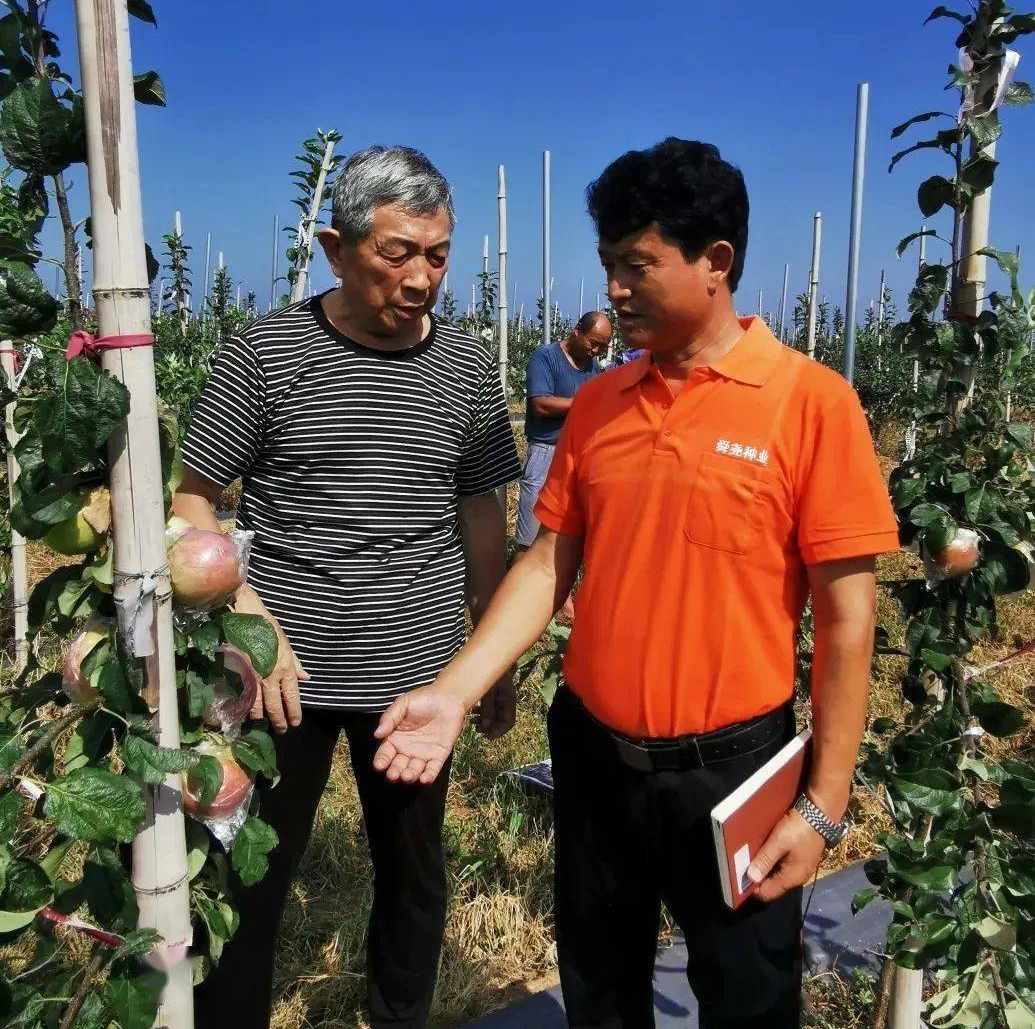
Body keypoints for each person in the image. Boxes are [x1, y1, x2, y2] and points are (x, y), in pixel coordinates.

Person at [370, 138, 900, 1029]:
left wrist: (823, 804)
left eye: (635, 265)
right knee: (600, 985)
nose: (613, 289)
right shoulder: (603, 406)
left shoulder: (809, 404)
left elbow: (848, 617)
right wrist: (454, 690)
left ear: (715, 262)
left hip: (732, 774)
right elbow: (546, 563)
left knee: (745, 994)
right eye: (608, 264)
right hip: (594, 759)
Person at [177, 145, 521, 1029]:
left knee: (412, 870)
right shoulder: (266, 352)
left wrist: (489, 658)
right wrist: (253, 621)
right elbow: (192, 501)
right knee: (249, 867)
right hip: (278, 680)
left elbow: (481, 511)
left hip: (413, 671)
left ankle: (398, 1013)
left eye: (438, 254)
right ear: (336, 247)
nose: (422, 277)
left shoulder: (467, 367)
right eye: (397, 252)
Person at [516, 311, 612, 553]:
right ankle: (519, 578)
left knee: (563, 535)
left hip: (577, 454)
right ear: (577, 331)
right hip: (545, 452)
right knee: (529, 535)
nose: (596, 352)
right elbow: (540, 404)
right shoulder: (546, 357)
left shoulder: (593, 367)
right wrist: (585, 401)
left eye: (602, 347)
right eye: (593, 343)